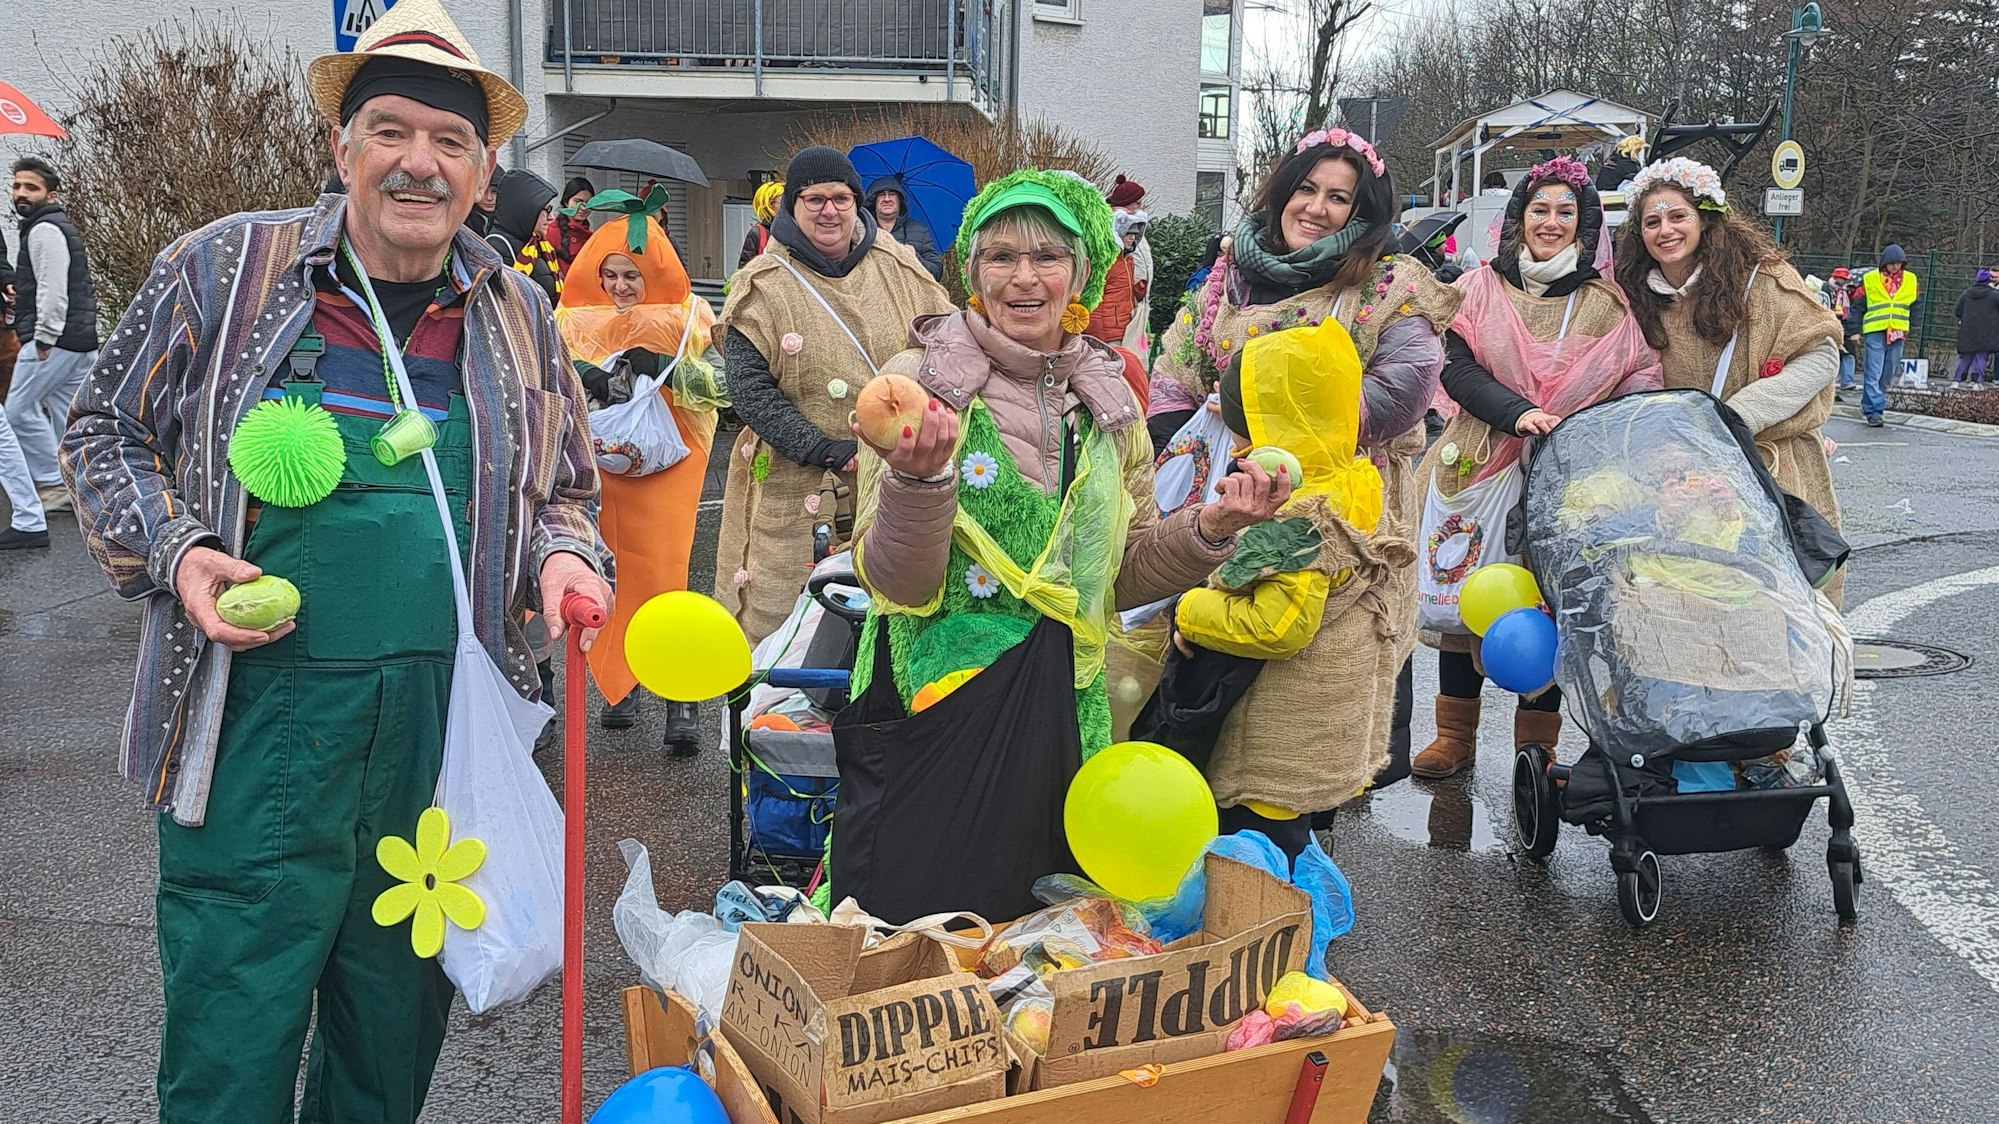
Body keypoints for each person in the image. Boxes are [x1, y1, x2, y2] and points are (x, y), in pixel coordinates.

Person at [58, 2, 611, 1117]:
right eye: (392, 131)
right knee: (231, 1035)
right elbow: (99, 428)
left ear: (484, 168)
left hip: (437, 745)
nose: (420, 162)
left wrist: (562, 559)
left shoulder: (519, 315)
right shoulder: (225, 268)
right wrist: (179, 550)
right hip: (255, 727)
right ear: (340, 146)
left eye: (449, 141)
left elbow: (565, 492)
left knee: (389, 1041)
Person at [835, 169, 1284, 921]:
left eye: (1047, 256)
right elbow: (896, 586)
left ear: (1080, 273)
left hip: (1065, 710)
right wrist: (919, 484)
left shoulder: (1109, 402)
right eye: (999, 256)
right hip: (937, 704)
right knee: (919, 939)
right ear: (972, 273)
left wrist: (1210, 529)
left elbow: (1122, 575)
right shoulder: (917, 386)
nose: (1023, 277)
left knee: (1039, 939)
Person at [1151, 126, 1462, 835]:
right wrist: (1187, 453)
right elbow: (1174, 375)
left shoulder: (1384, 284)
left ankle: (1289, 860)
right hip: (1224, 501)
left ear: (1361, 213)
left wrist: (1280, 435)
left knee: (1299, 702)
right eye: (1306, 189)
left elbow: (1403, 391)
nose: (1317, 208)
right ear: (1281, 190)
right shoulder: (1228, 277)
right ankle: (1213, 843)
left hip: (1335, 513)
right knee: (1211, 674)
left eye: (1338, 199)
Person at [1410, 156, 1662, 779]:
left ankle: (1535, 746)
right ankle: (1455, 735)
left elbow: (1636, 378)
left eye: (1565, 212)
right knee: (1467, 592)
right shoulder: (1476, 290)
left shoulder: (1607, 306)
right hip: (1478, 461)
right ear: (1517, 218)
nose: (1550, 222)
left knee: (1552, 601)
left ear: (1585, 225)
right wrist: (1518, 412)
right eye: (1539, 209)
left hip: (1567, 471)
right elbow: (1453, 366)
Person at [1140, 318, 1397, 861]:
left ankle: (1276, 935)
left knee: (1261, 856)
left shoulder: (1297, 518)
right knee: (1289, 841)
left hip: (1278, 730)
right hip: (1324, 717)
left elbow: (1276, 626)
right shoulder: (1350, 476)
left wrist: (1189, 608)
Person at [714, 147, 953, 641]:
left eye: (841, 198)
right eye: (814, 198)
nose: (829, 211)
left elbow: (950, 344)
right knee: (781, 627)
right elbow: (750, 390)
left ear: (857, 202)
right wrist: (821, 447)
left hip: (897, 476)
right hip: (792, 478)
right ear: (792, 207)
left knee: (896, 618)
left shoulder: (899, 267)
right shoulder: (762, 286)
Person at [1615, 157, 1844, 602]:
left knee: (1776, 607)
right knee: (1684, 603)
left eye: (1678, 216)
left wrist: (1735, 417)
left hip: (1768, 465)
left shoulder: (1761, 280)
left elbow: (1819, 356)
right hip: (1679, 475)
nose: (1666, 230)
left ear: (1704, 218)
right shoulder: (1632, 293)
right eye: (1652, 221)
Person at [558, 200, 723, 748]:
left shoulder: (691, 316)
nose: (621, 286)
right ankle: (619, 687)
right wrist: (587, 377)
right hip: (598, 465)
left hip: (668, 466)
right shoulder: (568, 321)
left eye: (633, 274)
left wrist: (668, 373)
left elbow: (722, 387)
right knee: (605, 569)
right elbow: (548, 378)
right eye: (611, 274)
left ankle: (681, 698)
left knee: (665, 576)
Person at [11, 156, 98, 515]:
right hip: (80, 338)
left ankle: (51, 482)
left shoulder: (44, 230)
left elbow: (53, 289)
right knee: (68, 416)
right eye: (16, 186)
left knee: (17, 411)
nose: (21, 193)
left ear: (50, 194)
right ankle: (81, 483)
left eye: (30, 187)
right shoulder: (52, 226)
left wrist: (43, 338)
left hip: (55, 340)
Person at [1856, 243, 1919, 426]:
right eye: (1892, 263)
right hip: (1875, 331)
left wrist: (1912, 325)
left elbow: (1915, 305)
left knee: (1888, 373)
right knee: (1873, 373)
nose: (1895, 267)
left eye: (1899, 264)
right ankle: (1875, 411)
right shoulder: (1870, 279)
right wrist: (1854, 330)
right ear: (1884, 263)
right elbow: (1859, 305)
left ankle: (1870, 404)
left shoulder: (1910, 279)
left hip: (1898, 333)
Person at [484, 167, 563, 305]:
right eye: (546, 210)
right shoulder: (497, 246)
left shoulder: (535, 243)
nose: (551, 217)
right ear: (527, 209)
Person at [863, 174, 944, 279]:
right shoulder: (862, 230)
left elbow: (937, 272)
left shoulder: (918, 230)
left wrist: (915, 257)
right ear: (874, 201)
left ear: (900, 201)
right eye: (882, 195)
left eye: (892, 194)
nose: (887, 199)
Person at [1108, 174, 1154, 355]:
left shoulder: (1132, 229)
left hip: (1129, 315)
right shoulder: (1112, 236)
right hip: (1113, 324)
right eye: (1137, 203)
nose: (1140, 208)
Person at [1085, 209, 1145, 344]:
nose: (1133, 238)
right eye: (1128, 233)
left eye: (1135, 234)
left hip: (1127, 328)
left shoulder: (1128, 260)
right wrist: (1097, 337)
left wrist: (1138, 290)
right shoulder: (1106, 261)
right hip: (1108, 334)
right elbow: (1094, 299)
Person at [1952, 268, 1998, 389]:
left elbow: (1957, 311)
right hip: (1985, 332)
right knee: (1981, 357)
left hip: (1967, 332)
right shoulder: (1994, 296)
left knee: (1965, 357)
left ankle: (1956, 381)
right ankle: (1977, 382)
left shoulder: (1966, 294)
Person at [546, 175, 595, 267]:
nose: (583, 208)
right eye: (577, 202)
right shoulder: (550, 232)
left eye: (588, 203)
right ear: (566, 202)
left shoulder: (592, 237)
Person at [1826, 266, 1859, 394]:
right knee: (1834, 353)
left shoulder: (1848, 292)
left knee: (1849, 352)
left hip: (1845, 326)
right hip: (1832, 325)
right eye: (1843, 279)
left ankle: (1847, 381)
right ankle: (1831, 382)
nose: (1845, 282)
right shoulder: (1827, 289)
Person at [737, 179, 783, 269]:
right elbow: (745, 270)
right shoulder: (758, 233)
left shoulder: (794, 229)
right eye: (781, 201)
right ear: (768, 204)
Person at [466, 160, 502, 236]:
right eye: (484, 190)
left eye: (494, 191)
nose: (489, 198)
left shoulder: (511, 222)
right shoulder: (462, 222)